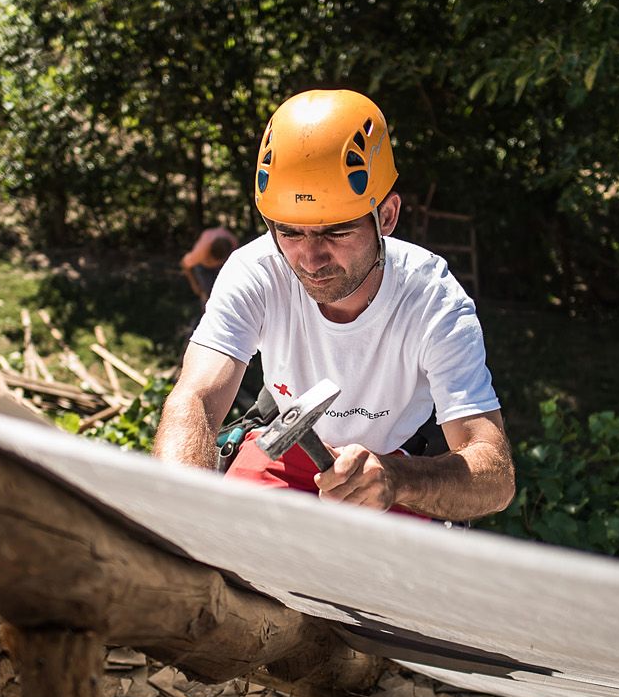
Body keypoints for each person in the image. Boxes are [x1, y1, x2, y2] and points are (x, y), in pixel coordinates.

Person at [152, 89, 514, 521]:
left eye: (336, 232)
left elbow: (494, 476)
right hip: (286, 452)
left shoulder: (433, 301)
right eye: (289, 232)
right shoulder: (256, 270)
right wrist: (178, 515)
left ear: (387, 216)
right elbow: (196, 398)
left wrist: (398, 479)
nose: (310, 259)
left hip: (391, 470)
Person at [181, 224, 238, 304]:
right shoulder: (200, 253)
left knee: (226, 289)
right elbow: (184, 264)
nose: (215, 264)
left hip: (222, 263)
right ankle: (206, 309)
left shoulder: (233, 244)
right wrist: (194, 285)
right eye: (214, 261)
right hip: (202, 266)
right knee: (207, 294)